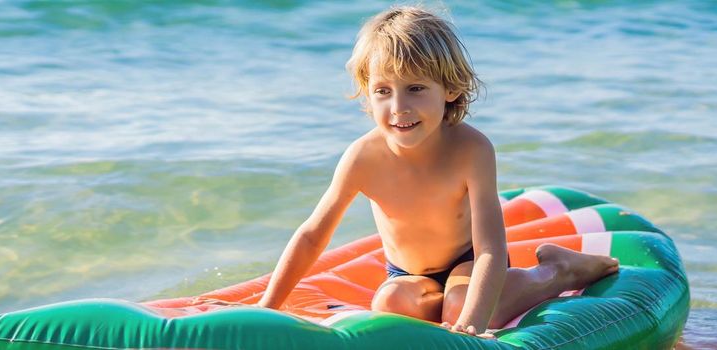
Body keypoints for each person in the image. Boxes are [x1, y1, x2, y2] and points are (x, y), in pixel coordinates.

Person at [256, 5, 619, 337]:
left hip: (470, 260)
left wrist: (472, 326)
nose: (399, 107)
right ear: (367, 94)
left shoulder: (471, 150)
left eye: (415, 89)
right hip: (407, 273)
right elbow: (312, 236)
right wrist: (266, 307)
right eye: (383, 91)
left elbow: (491, 247)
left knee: (463, 305)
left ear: (450, 88)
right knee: (389, 305)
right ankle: (451, 304)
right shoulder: (363, 157)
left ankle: (557, 270)